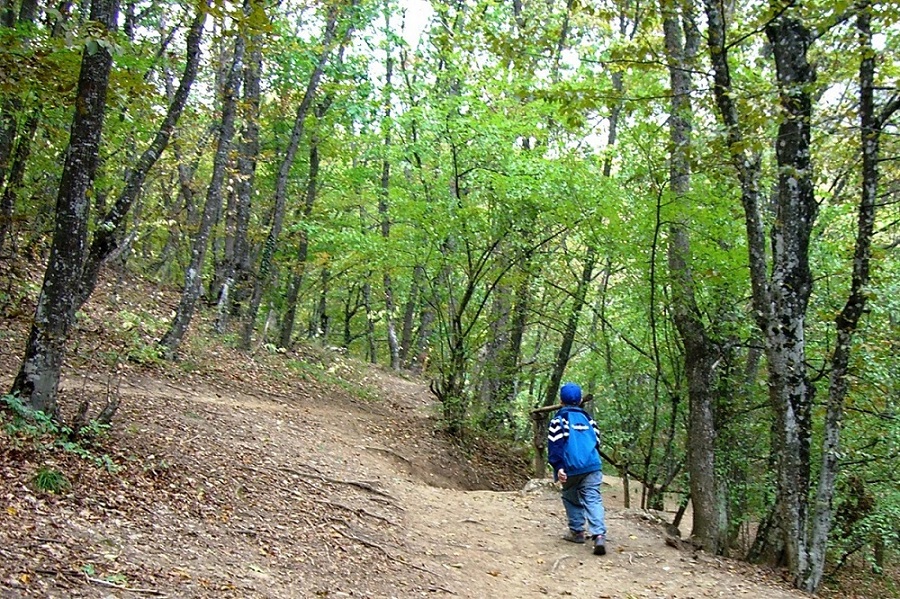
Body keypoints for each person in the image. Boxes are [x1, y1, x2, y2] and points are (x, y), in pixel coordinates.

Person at [547, 382, 607, 555]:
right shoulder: (590, 420)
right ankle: (599, 535)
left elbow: (555, 446)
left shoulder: (558, 421)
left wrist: (558, 467)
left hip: (570, 468)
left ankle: (577, 531)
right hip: (592, 466)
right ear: (581, 400)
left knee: (571, 497)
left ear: (560, 400)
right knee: (593, 499)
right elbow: (597, 441)